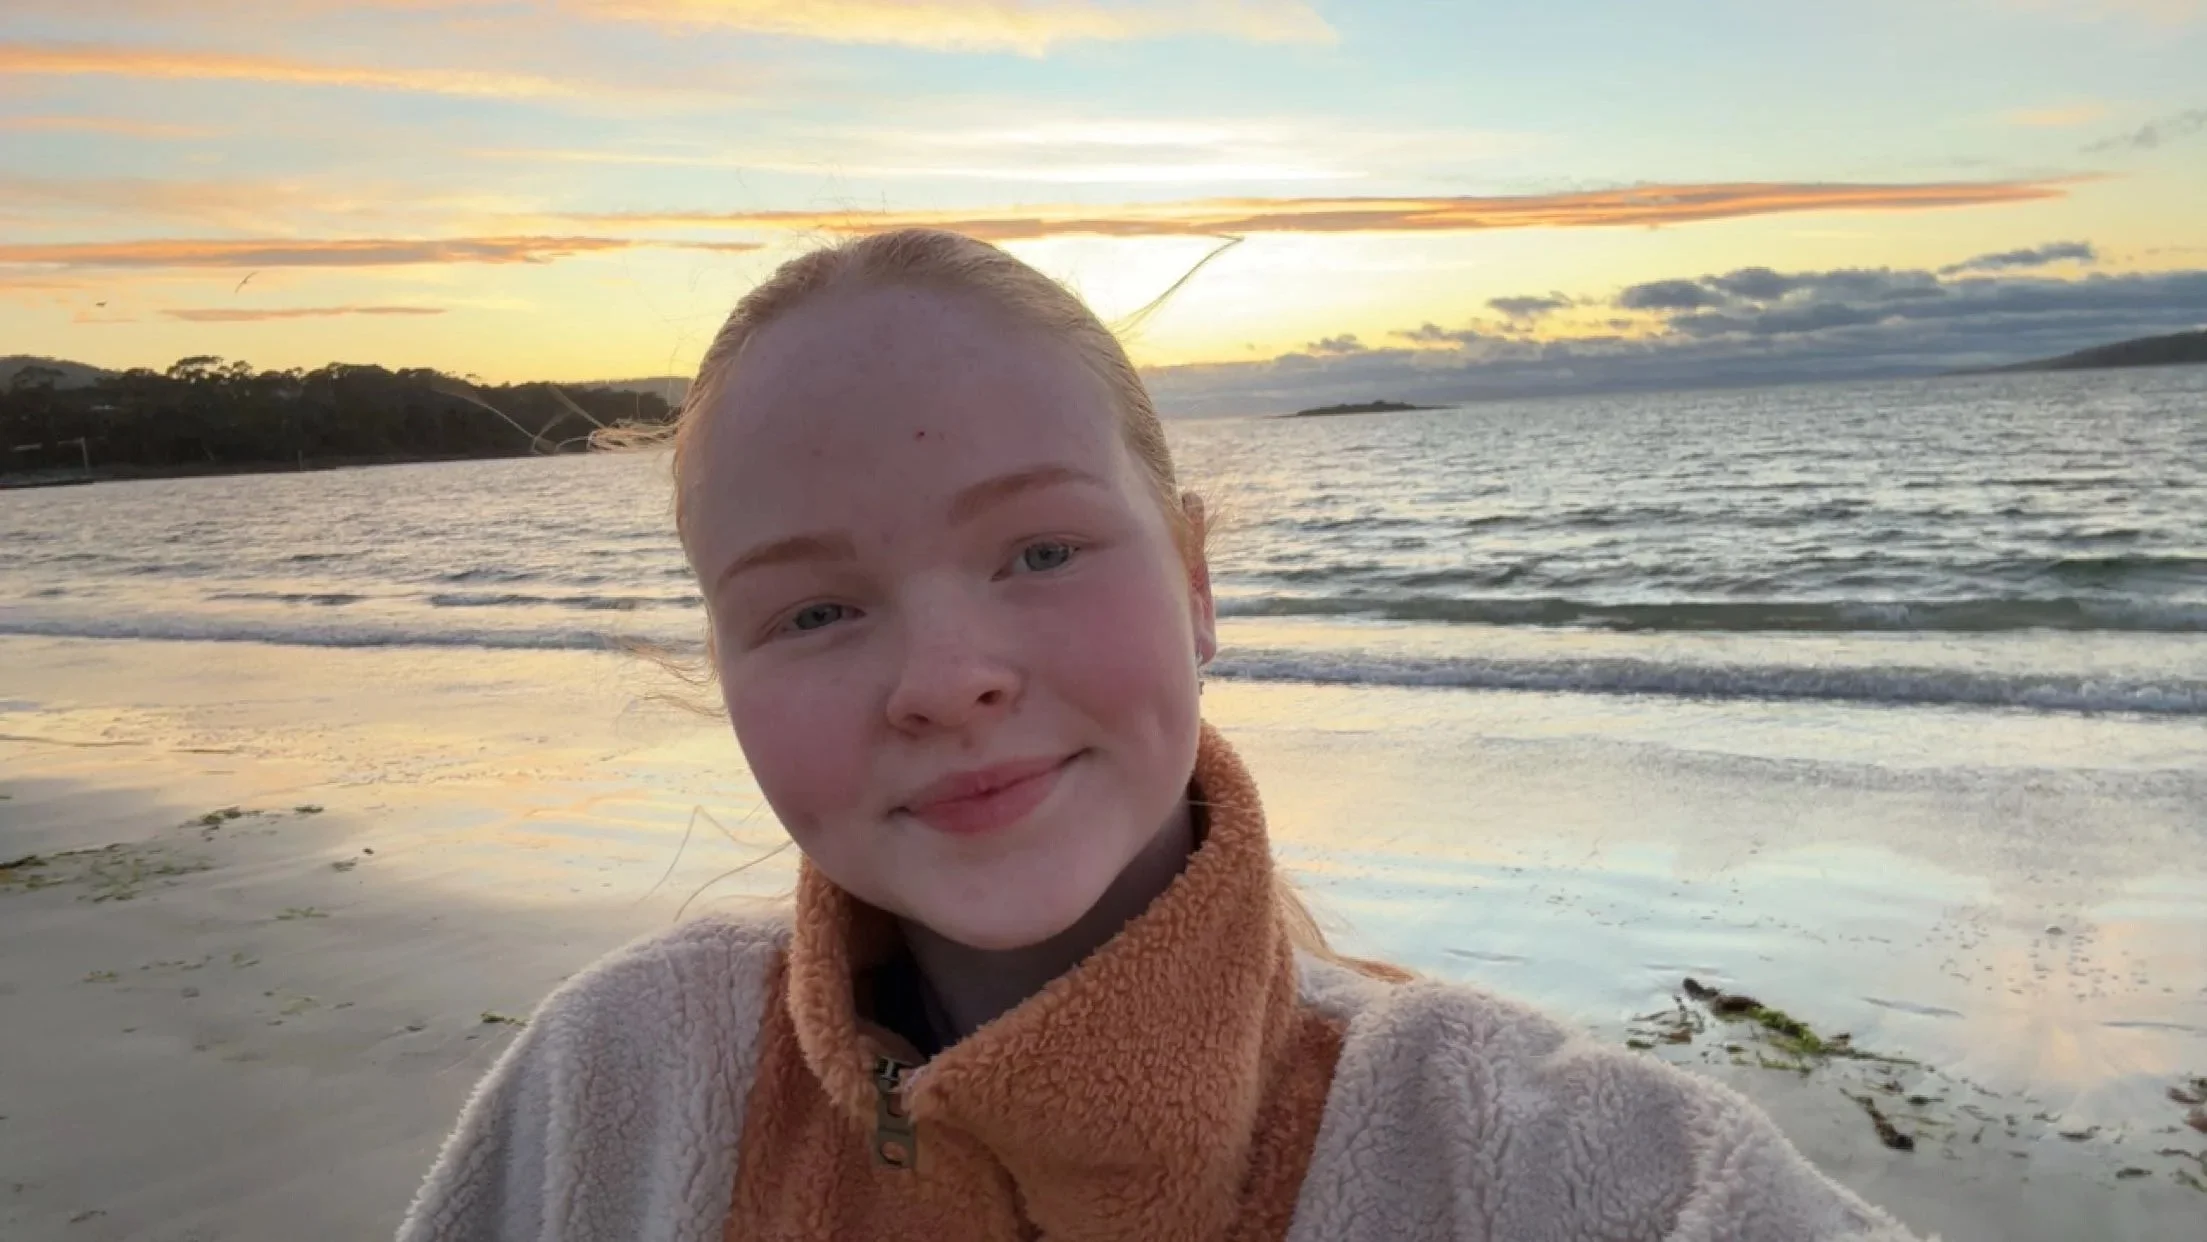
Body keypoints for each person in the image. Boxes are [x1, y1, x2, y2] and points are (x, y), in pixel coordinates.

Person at [396, 229, 1919, 1241]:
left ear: (1194, 580)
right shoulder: (616, 1077)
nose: (945, 677)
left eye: (1041, 552)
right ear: (717, 663)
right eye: (810, 612)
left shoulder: (1540, 1155)